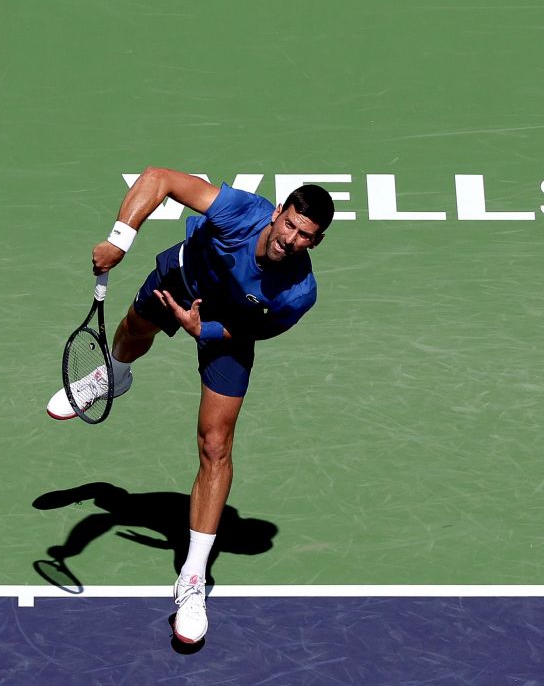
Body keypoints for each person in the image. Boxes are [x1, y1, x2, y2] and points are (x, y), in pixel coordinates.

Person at [45, 167, 335, 645]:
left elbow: (258, 331)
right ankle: (114, 376)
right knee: (132, 331)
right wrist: (120, 240)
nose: (290, 239)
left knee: (215, 446)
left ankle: (193, 579)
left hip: (226, 326)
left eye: (305, 236)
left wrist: (208, 332)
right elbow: (159, 178)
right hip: (183, 279)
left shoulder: (299, 292)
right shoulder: (241, 212)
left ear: (315, 242)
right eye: (289, 224)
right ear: (279, 211)